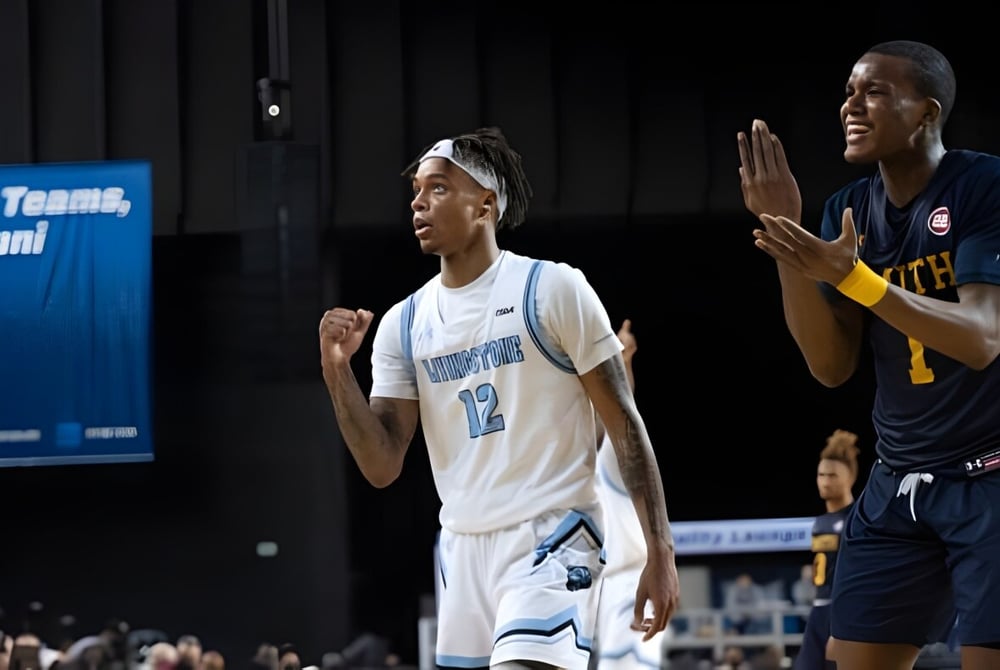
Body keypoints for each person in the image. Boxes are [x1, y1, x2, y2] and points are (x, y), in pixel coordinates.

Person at [318, 126, 680, 670]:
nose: (418, 201)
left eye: (438, 188)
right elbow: (381, 464)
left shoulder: (553, 289)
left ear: (485, 203)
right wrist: (337, 372)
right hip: (462, 549)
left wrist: (661, 551)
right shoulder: (404, 323)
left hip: (554, 533)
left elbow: (625, 426)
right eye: (416, 190)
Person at [737, 39, 1000, 670]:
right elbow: (830, 367)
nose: (850, 105)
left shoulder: (982, 184)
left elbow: (982, 337)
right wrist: (788, 242)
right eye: (850, 91)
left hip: (989, 477)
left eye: (874, 91)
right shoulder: (848, 210)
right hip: (898, 483)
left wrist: (859, 280)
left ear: (926, 113)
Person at [592, 319, 670, 670]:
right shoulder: (567, 468)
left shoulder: (610, 458)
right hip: (597, 588)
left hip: (630, 582)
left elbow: (622, 411)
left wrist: (622, 364)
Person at [793, 429, 859, 670]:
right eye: (821, 474)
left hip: (843, 611)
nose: (825, 481)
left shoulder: (857, 519)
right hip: (818, 610)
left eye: (832, 475)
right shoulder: (820, 522)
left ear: (850, 476)